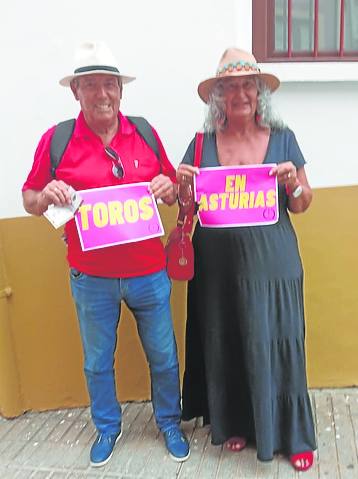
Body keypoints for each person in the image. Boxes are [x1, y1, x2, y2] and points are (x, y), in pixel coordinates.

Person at [22, 41, 190, 467]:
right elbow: (29, 197)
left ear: (120, 90)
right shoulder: (57, 139)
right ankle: (107, 428)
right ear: (75, 91)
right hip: (90, 276)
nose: (102, 94)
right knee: (98, 361)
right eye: (91, 85)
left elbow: (170, 185)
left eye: (109, 85)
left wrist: (168, 188)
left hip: (149, 272)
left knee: (164, 353)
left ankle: (170, 422)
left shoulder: (145, 132)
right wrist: (46, 194)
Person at [177, 48, 316, 472]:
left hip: (272, 265)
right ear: (218, 96)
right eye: (230, 86)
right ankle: (235, 423)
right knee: (228, 341)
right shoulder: (200, 144)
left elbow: (304, 203)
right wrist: (184, 190)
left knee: (279, 342)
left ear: (259, 93)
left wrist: (293, 182)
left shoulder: (283, 137)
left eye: (247, 85)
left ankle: (293, 437)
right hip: (217, 269)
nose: (240, 93)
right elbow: (187, 211)